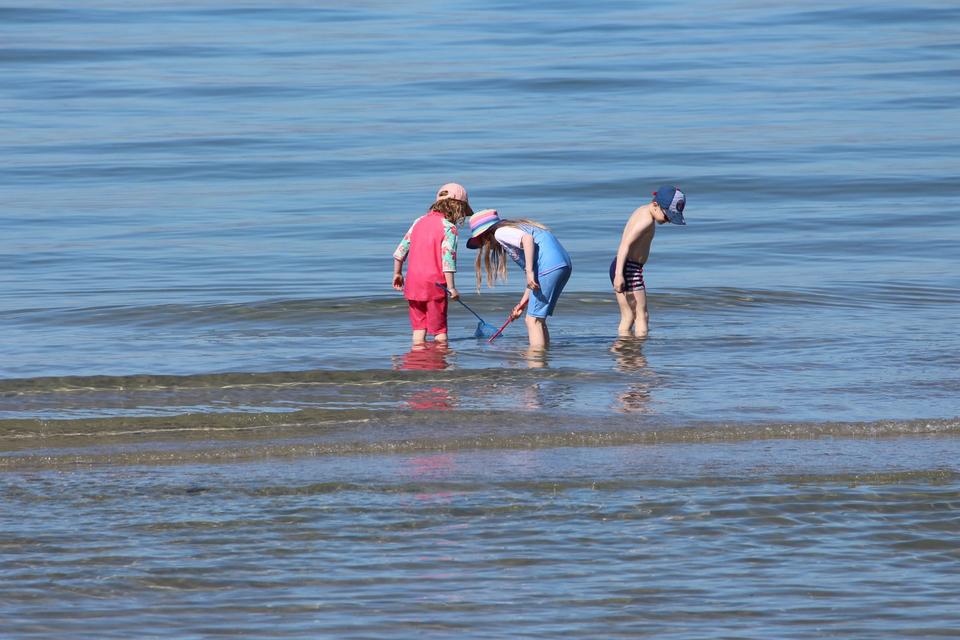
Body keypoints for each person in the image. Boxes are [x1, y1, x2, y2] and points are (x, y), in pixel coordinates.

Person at [466, 209, 572, 350]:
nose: (486, 246)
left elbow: (527, 239)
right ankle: (544, 355)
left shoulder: (500, 232)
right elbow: (533, 282)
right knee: (538, 319)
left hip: (549, 267)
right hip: (562, 265)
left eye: (482, 242)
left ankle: (536, 358)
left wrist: (529, 271)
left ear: (486, 235)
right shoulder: (519, 227)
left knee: (532, 320)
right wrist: (521, 304)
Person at [393, 183, 473, 344]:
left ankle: (417, 355)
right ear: (457, 207)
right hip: (435, 284)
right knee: (439, 330)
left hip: (413, 282)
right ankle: (440, 357)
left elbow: (401, 250)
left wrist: (397, 273)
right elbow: (448, 260)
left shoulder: (418, 221)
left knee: (418, 328)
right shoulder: (449, 228)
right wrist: (451, 288)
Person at [610, 185, 686, 337]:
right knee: (642, 316)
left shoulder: (643, 210)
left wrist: (618, 271)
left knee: (629, 316)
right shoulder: (645, 221)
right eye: (668, 216)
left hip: (621, 265)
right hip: (629, 269)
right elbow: (625, 245)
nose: (668, 221)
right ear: (655, 205)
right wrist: (619, 275)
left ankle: (623, 348)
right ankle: (638, 350)